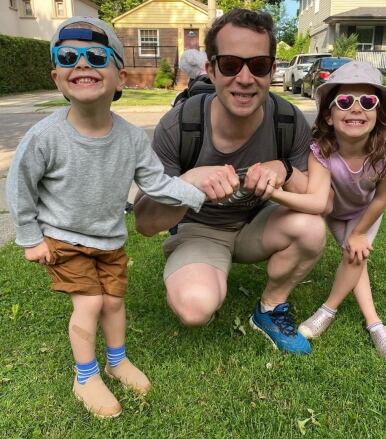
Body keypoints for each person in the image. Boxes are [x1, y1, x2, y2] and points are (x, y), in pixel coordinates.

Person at [4, 17, 229, 418]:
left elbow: (156, 182)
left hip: (110, 240)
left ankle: (116, 360)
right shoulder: (44, 137)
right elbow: (20, 186)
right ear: (56, 75)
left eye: (96, 56)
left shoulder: (129, 137)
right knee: (89, 304)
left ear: (119, 76)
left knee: (113, 303)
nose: (83, 65)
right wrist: (30, 237)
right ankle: (85, 375)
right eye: (68, 57)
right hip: (64, 239)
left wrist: (195, 193)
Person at [133, 9, 325, 354]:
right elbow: (145, 223)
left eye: (259, 65)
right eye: (231, 65)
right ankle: (193, 269)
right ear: (211, 69)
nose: (246, 78)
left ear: (272, 69)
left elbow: (317, 196)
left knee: (311, 228)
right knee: (195, 308)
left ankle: (269, 308)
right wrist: (188, 184)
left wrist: (284, 170)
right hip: (200, 231)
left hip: (257, 224)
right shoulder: (181, 125)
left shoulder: (287, 119)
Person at [273, 61, 386, 359]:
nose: (356, 109)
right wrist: (276, 193)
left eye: (367, 102)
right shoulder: (321, 151)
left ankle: (342, 314)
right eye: (345, 102)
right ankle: (373, 324)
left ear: (378, 113)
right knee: (354, 256)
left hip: (366, 212)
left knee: (354, 252)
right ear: (330, 116)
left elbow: (381, 199)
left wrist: (359, 233)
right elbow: (320, 201)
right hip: (335, 211)